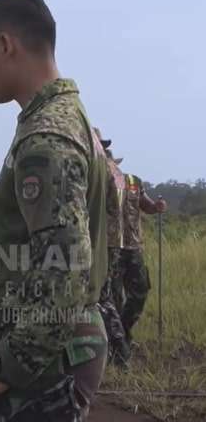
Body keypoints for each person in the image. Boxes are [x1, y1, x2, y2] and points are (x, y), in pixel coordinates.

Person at [0, 0, 108, 422]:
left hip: (41, 367)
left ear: (5, 44)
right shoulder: (69, 119)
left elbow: (64, 272)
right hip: (54, 353)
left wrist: (6, 366)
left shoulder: (46, 139)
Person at [113, 168, 167, 350]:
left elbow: (148, 206)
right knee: (112, 298)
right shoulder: (98, 180)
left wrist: (157, 207)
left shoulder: (133, 182)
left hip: (133, 247)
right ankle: (116, 345)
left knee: (140, 291)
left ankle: (122, 333)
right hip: (109, 249)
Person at [95, 130, 130, 365]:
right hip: (112, 240)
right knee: (109, 293)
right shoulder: (115, 170)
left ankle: (118, 351)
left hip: (102, 241)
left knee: (101, 296)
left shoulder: (101, 169)